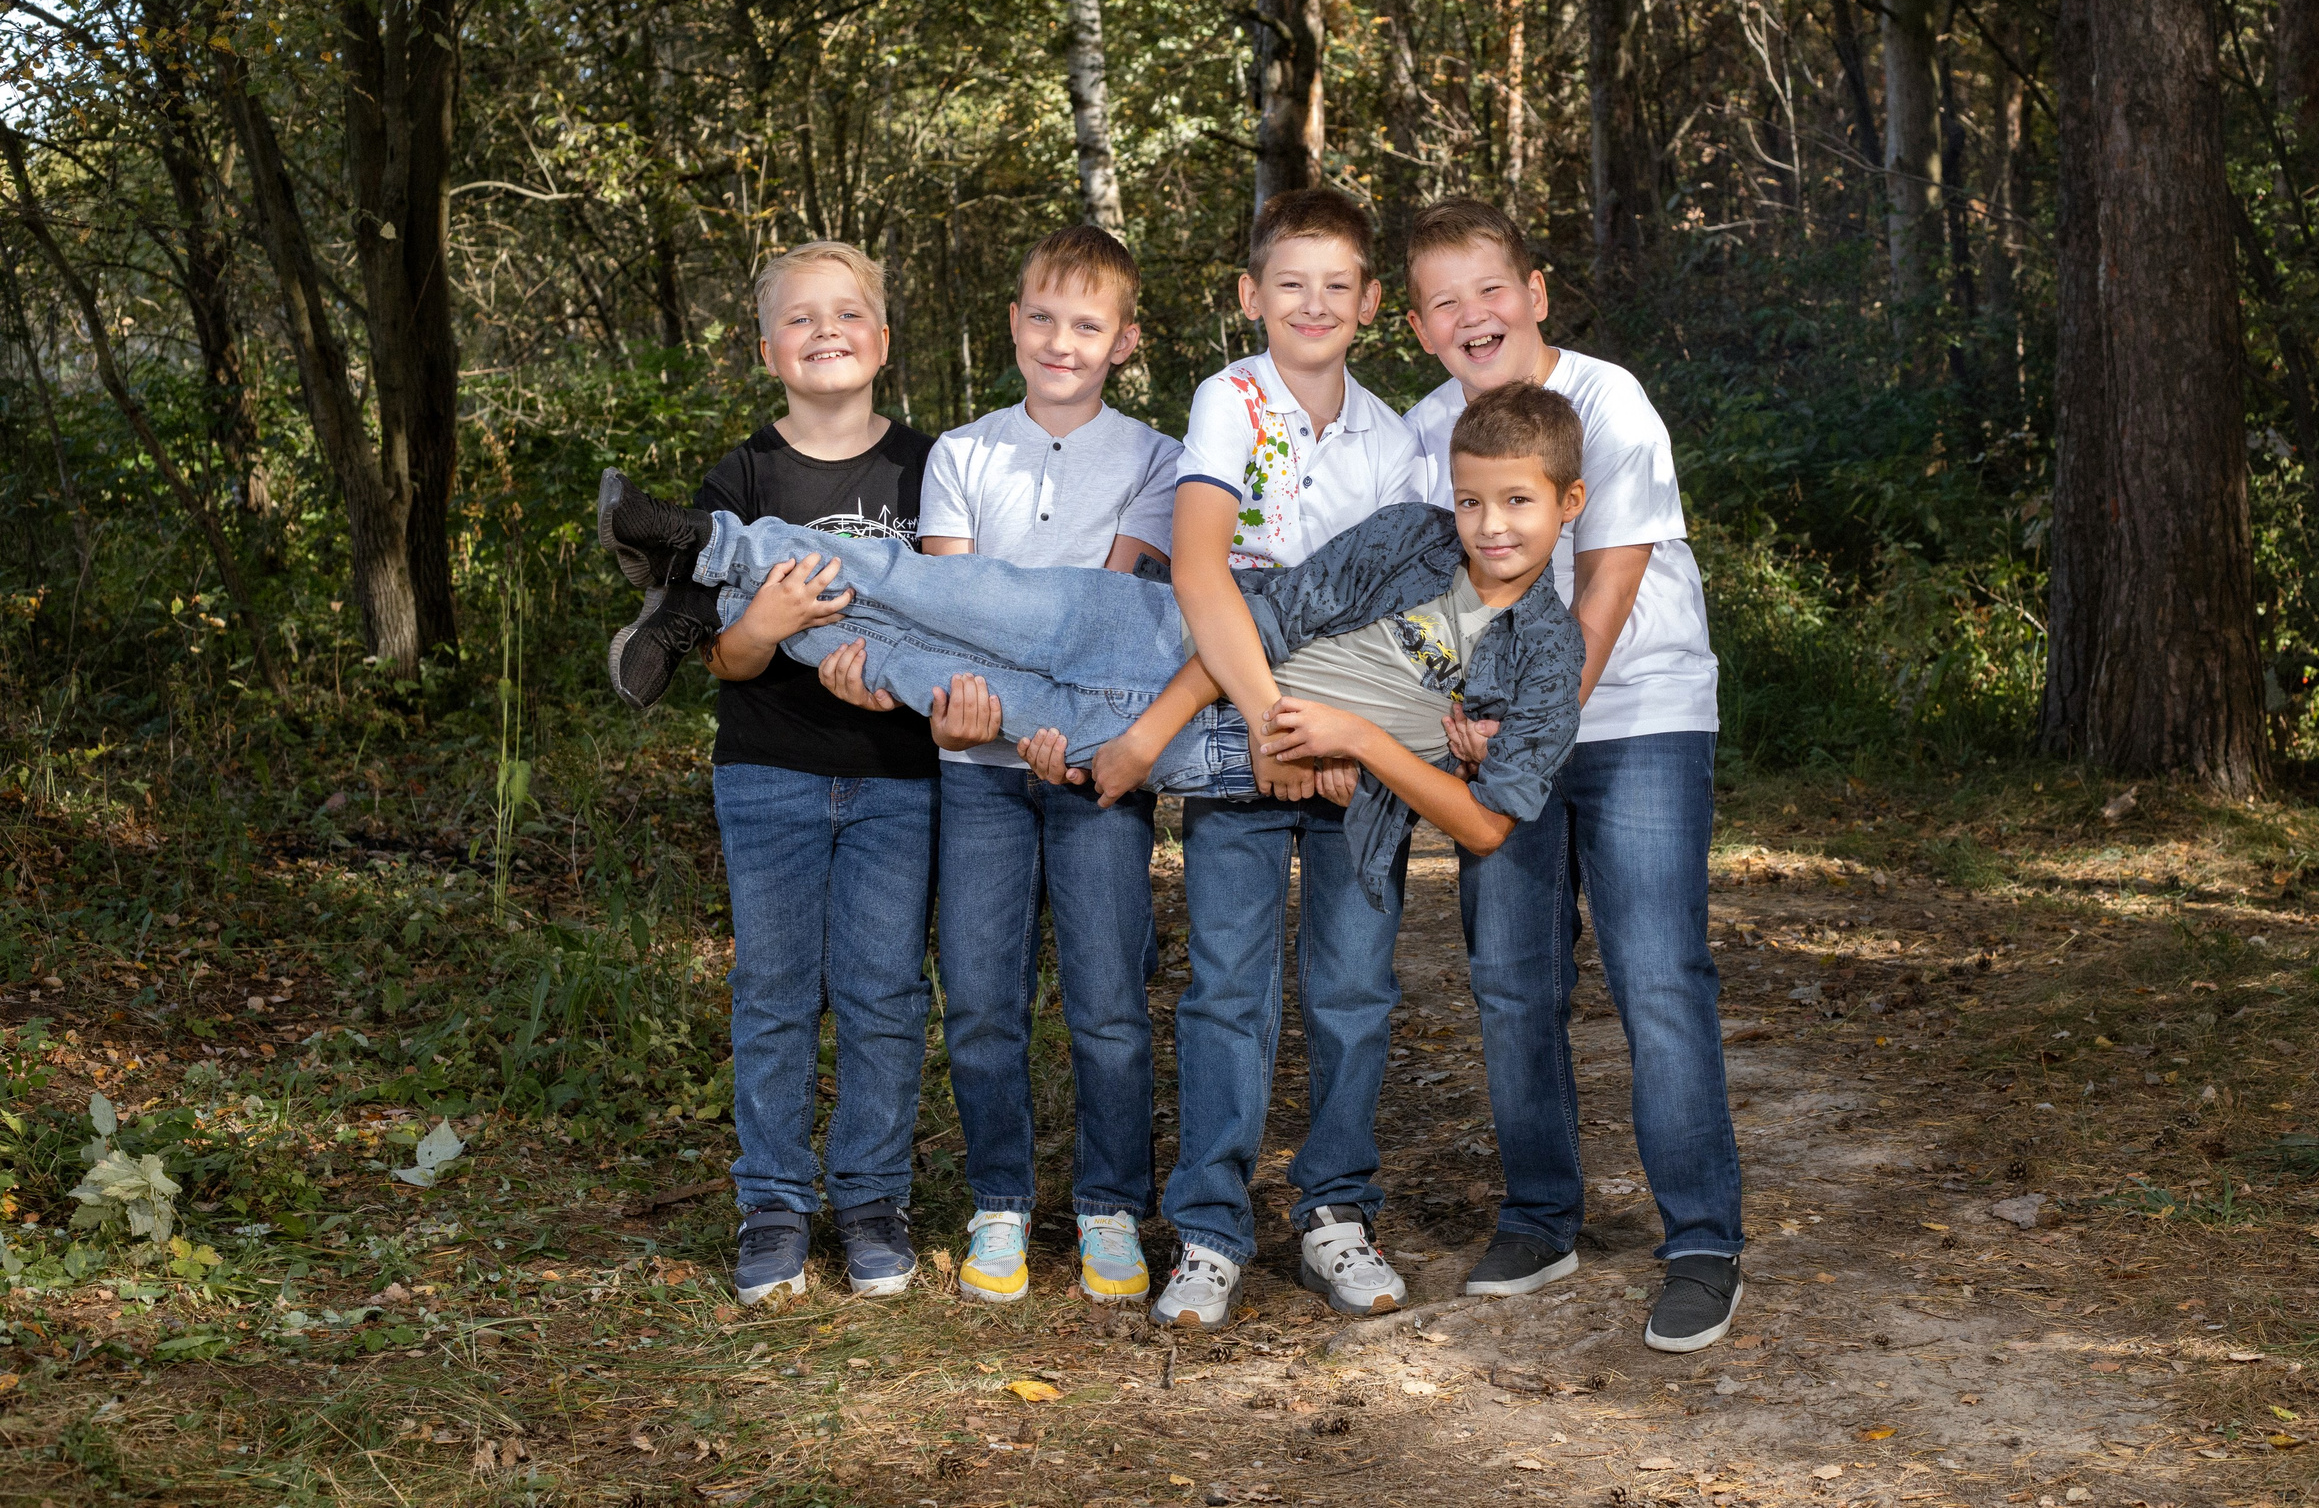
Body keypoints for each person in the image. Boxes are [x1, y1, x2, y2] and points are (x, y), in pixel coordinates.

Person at [600, 384, 1591, 1332]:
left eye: (1516, 502)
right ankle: (709, 545)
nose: (1488, 525)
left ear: (1569, 505)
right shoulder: (1414, 537)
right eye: (1472, 500)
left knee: (923, 668)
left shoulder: (1547, 654)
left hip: (1205, 753)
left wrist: (1361, 745)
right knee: (943, 592)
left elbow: (1487, 824)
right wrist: (1174, 740)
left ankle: (700, 607)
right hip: (1148, 637)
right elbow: (1258, 621)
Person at [1399, 198, 1746, 1353]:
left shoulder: (1609, 402)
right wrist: (1451, 712)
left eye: (1489, 289)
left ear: (1535, 293)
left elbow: (1604, 589)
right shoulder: (1422, 434)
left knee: (1657, 976)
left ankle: (1701, 1242)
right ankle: (1540, 1217)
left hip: (1637, 720)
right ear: (1419, 328)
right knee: (1511, 978)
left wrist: (1530, 727)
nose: (1472, 315)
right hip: (1500, 738)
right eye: (1443, 302)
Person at [601, 240, 941, 1309]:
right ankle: (775, 1204)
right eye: (800, 318)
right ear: (766, 351)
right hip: (770, 771)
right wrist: (769, 620)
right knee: (776, 994)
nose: (825, 330)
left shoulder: (930, 469)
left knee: (884, 994)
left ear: (882, 340)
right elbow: (730, 661)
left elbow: (957, 605)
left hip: (899, 773)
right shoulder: (744, 475)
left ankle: (874, 1200)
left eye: (846, 313)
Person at [1154, 189, 1430, 1328]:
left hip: (1361, 746)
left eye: (1336, 285)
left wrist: (1343, 734)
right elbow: (1201, 571)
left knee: (1354, 986)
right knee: (1228, 986)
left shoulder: (1397, 439)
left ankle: (1335, 1212)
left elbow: (1406, 605)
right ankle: (1210, 1229)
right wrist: (1275, 725)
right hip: (1242, 734)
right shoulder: (1230, 401)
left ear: (1369, 302)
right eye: (1289, 283)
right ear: (1250, 296)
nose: (1312, 304)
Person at [913, 225, 1180, 1307]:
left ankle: (1111, 1204)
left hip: (1100, 772)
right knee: (982, 998)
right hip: (977, 768)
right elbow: (953, 611)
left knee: (1108, 1001)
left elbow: (1108, 618)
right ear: (1013, 322)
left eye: (1086, 324)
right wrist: (983, 713)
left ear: (1124, 341)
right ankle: (1000, 1200)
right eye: (1042, 317)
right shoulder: (960, 454)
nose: (1060, 341)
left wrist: (1061, 722)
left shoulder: (1157, 459)